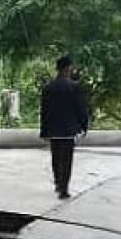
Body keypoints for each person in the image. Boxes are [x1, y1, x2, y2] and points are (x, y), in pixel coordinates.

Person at [40, 55, 93, 199]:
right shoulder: (74, 87)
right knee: (67, 160)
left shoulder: (48, 88)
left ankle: (58, 183)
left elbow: (44, 111)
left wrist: (44, 131)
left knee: (56, 158)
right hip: (69, 130)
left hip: (53, 130)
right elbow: (81, 109)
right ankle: (64, 189)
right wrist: (84, 126)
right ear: (68, 68)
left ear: (57, 69)